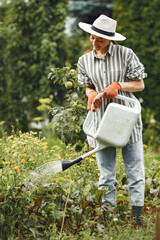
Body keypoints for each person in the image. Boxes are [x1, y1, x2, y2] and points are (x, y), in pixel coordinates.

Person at [77, 15, 147, 226]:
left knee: (134, 171)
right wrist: (90, 94)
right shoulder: (84, 60)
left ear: (110, 39)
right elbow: (88, 85)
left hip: (127, 121)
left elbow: (139, 85)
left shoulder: (126, 55)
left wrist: (118, 86)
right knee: (106, 174)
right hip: (102, 123)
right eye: (93, 36)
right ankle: (107, 218)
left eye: (100, 38)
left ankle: (137, 219)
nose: (95, 41)